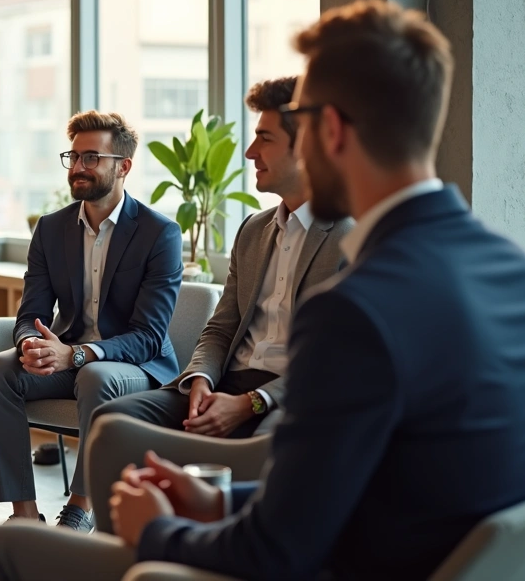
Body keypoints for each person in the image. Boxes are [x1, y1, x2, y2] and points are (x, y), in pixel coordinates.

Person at [0, 0, 525, 581]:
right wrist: (215, 503)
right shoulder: (510, 269)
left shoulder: (357, 312)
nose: (251, 152)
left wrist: (156, 529)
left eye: (297, 125)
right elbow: (363, 483)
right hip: (389, 543)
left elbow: (274, 553)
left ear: (329, 130)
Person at [86, 77, 352, 531]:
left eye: (264, 138)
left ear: (306, 147)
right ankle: (125, 553)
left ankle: (215, 554)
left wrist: (252, 403)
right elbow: (220, 328)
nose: (250, 152)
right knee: (113, 421)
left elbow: (335, 361)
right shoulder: (252, 230)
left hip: (289, 396)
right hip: (224, 383)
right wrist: (202, 380)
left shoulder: (350, 235)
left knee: (276, 441)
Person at [0, 110, 184, 532]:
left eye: (91, 158)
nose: (77, 168)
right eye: (72, 156)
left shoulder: (159, 233)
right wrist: (28, 346)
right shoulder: (51, 229)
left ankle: (80, 507)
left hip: (133, 366)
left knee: (94, 377)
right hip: (66, 356)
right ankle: (25, 517)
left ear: (123, 167)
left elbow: (147, 336)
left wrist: (78, 354)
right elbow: (30, 312)